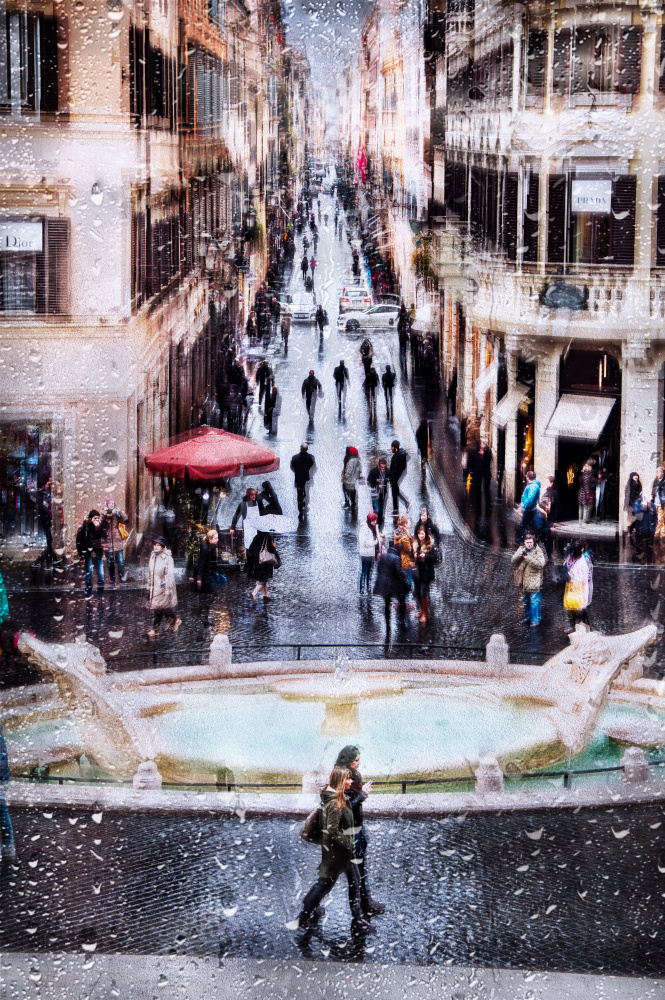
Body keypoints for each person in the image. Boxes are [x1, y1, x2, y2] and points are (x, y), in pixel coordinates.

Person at [295, 766, 372, 932]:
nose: (351, 781)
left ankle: (357, 920)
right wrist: (347, 843)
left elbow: (347, 810)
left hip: (342, 853)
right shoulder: (335, 802)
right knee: (324, 886)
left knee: (354, 883)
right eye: (348, 779)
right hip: (337, 854)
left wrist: (362, 795)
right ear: (341, 781)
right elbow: (332, 831)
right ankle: (302, 918)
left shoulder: (337, 798)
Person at [334, 746, 385, 915]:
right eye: (356, 760)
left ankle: (366, 901)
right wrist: (362, 795)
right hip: (348, 831)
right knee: (331, 876)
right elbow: (345, 809)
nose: (359, 762)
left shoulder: (355, 776)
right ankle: (309, 908)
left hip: (358, 827)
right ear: (347, 761)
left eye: (359, 759)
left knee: (361, 867)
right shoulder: (342, 778)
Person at [512, 531, 547, 627]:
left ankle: (535, 620)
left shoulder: (538, 551)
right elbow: (513, 560)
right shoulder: (521, 549)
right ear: (524, 542)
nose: (529, 544)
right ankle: (528, 618)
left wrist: (528, 558)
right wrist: (518, 555)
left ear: (534, 542)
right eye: (527, 542)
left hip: (534, 582)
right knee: (526, 601)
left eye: (531, 542)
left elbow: (541, 564)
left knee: (534, 602)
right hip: (524, 582)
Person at [147, 537, 181, 636]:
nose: (155, 547)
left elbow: (169, 576)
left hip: (163, 587)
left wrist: (167, 591)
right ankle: (175, 619)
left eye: (158, 545)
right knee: (162, 608)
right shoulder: (153, 556)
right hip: (155, 587)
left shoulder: (167, 558)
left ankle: (155, 629)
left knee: (158, 609)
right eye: (154, 545)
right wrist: (149, 587)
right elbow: (150, 573)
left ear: (162, 546)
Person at [373, 542, 407, 623]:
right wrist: (404, 577)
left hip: (382, 583)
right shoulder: (397, 558)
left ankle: (387, 622)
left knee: (387, 603)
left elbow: (378, 569)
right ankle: (402, 620)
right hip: (392, 584)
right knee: (401, 600)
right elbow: (399, 572)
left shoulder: (383, 556)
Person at [563, 541, 593, 632]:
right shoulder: (571, 557)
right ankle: (574, 625)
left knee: (581, 608)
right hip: (572, 586)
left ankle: (585, 626)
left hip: (580, 587)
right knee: (572, 607)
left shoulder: (584, 561)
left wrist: (576, 583)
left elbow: (585, 577)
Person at [76, 510, 106, 598]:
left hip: (98, 552)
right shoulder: (84, 527)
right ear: (90, 518)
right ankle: (88, 592)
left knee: (101, 573)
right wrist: (81, 556)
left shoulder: (99, 526)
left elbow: (104, 535)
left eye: (98, 518)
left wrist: (99, 527)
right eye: (94, 518)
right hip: (88, 553)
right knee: (89, 572)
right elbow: (79, 542)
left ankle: (100, 592)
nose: (96, 519)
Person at [246, 529, 281, 601]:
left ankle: (266, 594)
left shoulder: (256, 537)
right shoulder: (268, 537)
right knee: (264, 579)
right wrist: (273, 546)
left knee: (264, 578)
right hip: (266, 561)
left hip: (258, 561)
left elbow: (250, 549)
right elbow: (270, 550)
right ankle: (254, 593)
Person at [412, 524, 436, 623]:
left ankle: (425, 613)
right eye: (419, 534)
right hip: (417, 572)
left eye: (422, 534)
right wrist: (413, 555)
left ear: (425, 534)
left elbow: (434, 558)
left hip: (426, 573)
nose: (420, 536)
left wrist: (425, 556)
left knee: (423, 593)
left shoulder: (430, 544)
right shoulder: (415, 543)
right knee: (416, 592)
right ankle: (422, 610)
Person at [102, 499, 129, 584]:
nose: (111, 504)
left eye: (113, 503)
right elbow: (102, 524)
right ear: (107, 505)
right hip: (108, 541)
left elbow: (126, 520)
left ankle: (122, 577)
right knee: (110, 562)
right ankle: (112, 578)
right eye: (109, 503)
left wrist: (120, 511)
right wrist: (106, 514)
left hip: (117, 541)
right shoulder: (104, 513)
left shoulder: (117, 514)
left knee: (120, 561)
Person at [193, 529, 227, 593]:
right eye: (216, 538)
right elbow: (201, 563)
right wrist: (199, 578)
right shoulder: (205, 549)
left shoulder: (210, 547)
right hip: (204, 575)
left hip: (207, 573)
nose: (218, 540)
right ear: (210, 539)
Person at [0, 722, 15, 860]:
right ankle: (7, 845)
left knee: (2, 810)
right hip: (3, 778)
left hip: (1, 779)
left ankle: (8, 845)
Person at [358, 511, 382, 592]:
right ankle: (361, 588)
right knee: (364, 571)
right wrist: (376, 542)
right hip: (365, 554)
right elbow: (365, 543)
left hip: (372, 553)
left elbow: (378, 537)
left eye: (375, 520)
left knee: (370, 571)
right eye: (373, 520)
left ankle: (368, 587)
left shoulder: (375, 527)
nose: (374, 522)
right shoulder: (364, 529)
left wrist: (379, 539)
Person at [290, 443, 315, 519]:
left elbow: (292, 466)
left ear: (300, 449)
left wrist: (296, 470)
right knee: (303, 486)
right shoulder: (310, 457)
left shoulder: (295, 458)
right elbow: (311, 464)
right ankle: (303, 495)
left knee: (299, 492)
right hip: (305, 476)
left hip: (298, 476)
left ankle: (300, 507)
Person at [632, 491, 657, 563]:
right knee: (639, 547)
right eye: (648, 497)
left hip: (650, 529)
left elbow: (655, 516)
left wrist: (655, 524)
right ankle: (640, 562)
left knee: (650, 548)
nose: (650, 498)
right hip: (640, 529)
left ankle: (650, 562)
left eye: (650, 497)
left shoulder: (652, 505)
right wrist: (643, 507)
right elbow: (634, 513)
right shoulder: (637, 504)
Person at [393, 515, 415, 595]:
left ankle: (404, 597)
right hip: (406, 560)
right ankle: (406, 598)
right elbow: (409, 549)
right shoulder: (404, 537)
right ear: (405, 524)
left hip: (402, 559)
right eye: (409, 522)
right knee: (408, 580)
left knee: (404, 578)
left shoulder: (399, 532)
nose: (410, 524)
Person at [367, 457, 389, 529]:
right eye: (382, 467)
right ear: (379, 466)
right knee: (377, 509)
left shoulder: (387, 471)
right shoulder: (373, 471)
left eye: (384, 467)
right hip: (375, 494)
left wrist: (389, 480)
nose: (383, 469)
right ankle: (375, 526)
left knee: (382, 511)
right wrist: (376, 483)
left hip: (383, 494)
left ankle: (380, 526)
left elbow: (392, 478)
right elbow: (369, 481)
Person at [389, 440, 409, 517]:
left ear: (395, 448)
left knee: (395, 491)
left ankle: (402, 504)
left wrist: (392, 479)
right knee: (395, 491)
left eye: (392, 447)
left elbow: (394, 470)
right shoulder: (400, 455)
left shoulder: (396, 458)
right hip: (395, 478)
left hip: (394, 478)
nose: (391, 449)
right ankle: (396, 507)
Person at [519, 471, 540, 537]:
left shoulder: (533, 486)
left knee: (525, 525)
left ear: (527, 477)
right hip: (529, 509)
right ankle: (522, 540)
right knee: (528, 526)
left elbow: (530, 498)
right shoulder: (532, 485)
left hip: (529, 509)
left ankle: (520, 541)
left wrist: (523, 506)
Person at [626, 472, 643, 541]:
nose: (636, 477)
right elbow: (631, 494)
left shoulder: (638, 483)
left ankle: (632, 528)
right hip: (634, 502)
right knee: (639, 516)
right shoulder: (631, 484)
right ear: (632, 477)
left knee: (640, 517)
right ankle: (631, 528)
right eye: (634, 476)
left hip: (638, 502)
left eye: (637, 476)